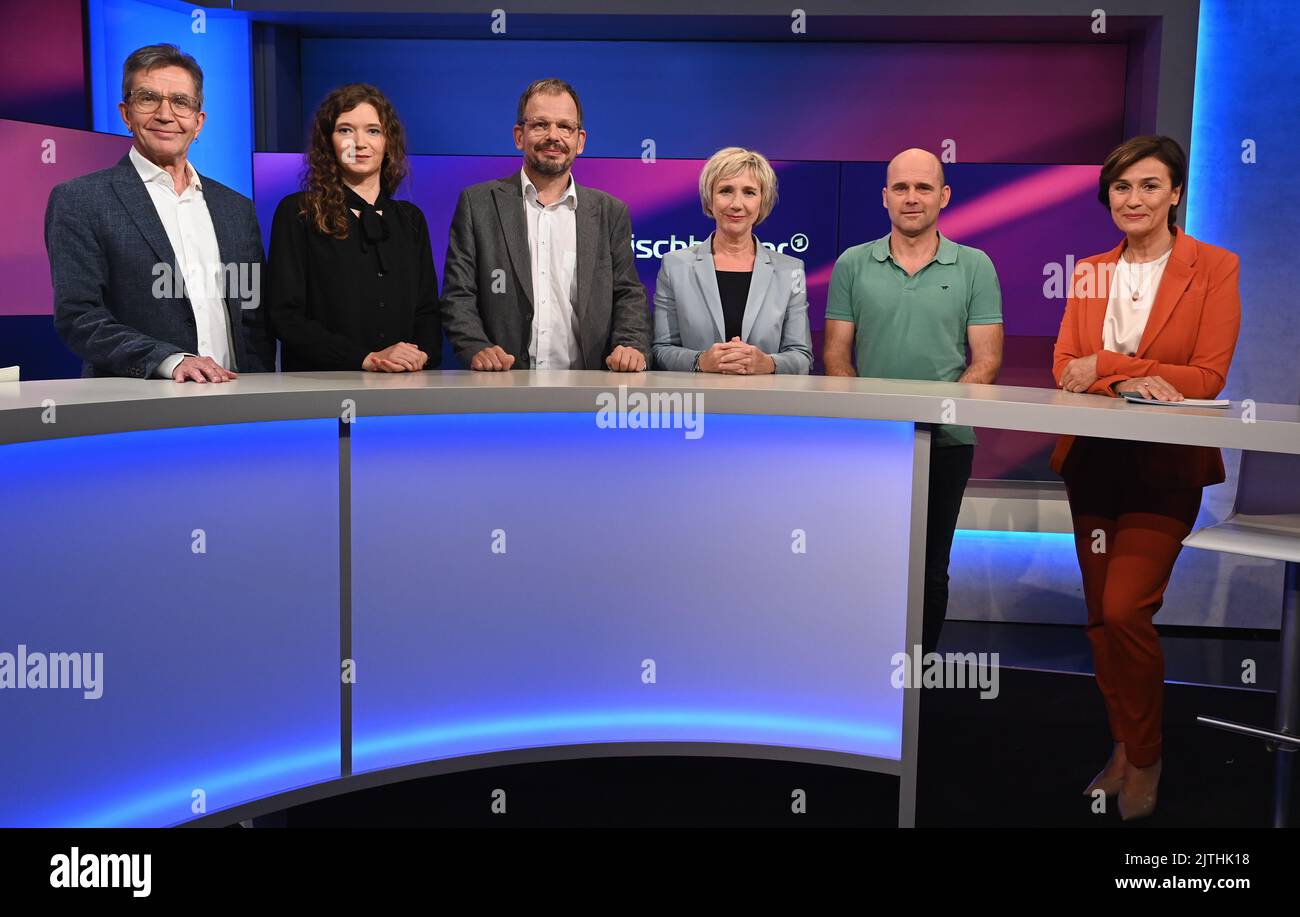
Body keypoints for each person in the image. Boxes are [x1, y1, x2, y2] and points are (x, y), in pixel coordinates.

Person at [1053, 135, 1241, 820]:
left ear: (1176, 193)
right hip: (1094, 460)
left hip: (1166, 466)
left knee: (1129, 608)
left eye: (1149, 186)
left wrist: (1105, 365)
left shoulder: (1214, 267)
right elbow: (1062, 367)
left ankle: (1150, 752)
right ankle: (1124, 748)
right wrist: (1129, 371)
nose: (1133, 200)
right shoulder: (1091, 272)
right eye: (1122, 187)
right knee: (1102, 619)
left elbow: (1205, 376)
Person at [823, 148, 1004, 655]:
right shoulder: (853, 263)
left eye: (924, 188)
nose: (911, 197)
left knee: (929, 569)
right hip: (869, 443)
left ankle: (914, 687)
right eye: (901, 188)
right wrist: (873, 421)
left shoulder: (975, 266)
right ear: (884, 198)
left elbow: (985, 362)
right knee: (864, 562)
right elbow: (836, 357)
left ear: (944, 197)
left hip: (946, 443)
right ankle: (863, 672)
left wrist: (936, 416)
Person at [45, 43, 272, 381]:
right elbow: (79, 317)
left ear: (199, 121)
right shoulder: (80, 199)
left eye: (181, 102)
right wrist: (170, 361)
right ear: (126, 113)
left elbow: (254, 318)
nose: (166, 115)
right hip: (139, 407)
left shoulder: (236, 208)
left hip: (236, 403)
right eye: (148, 99)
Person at [439, 78, 650, 372]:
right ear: (519, 135)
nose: (554, 136)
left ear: (580, 140)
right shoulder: (478, 204)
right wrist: (476, 347)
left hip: (589, 387)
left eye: (565, 127)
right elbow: (458, 295)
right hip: (503, 384)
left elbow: (628, 293)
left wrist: (629, 345)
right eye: (540, 125)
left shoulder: (609, 212)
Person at [266, 84, 440, 372]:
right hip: (322, 386)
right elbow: (286, 316)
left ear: (388, 143)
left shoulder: (411, 220)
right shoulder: (299, 212)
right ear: (328, 142)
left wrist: (421, 356)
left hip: (404, 385)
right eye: (345, 130)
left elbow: (427, 311)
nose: (360, 143)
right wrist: (365, 359)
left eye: (373, 131)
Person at [651, 147, 811, 374]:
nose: (737, 203)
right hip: (695, 403)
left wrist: (768, 364)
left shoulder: (790, 269)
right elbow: (661, 350)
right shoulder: (674, 265)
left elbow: (801, 356)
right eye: (725, 191)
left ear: (761, 202)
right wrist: (700, 361)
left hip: (763, 404)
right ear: (709, 200)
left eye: (749, 192)